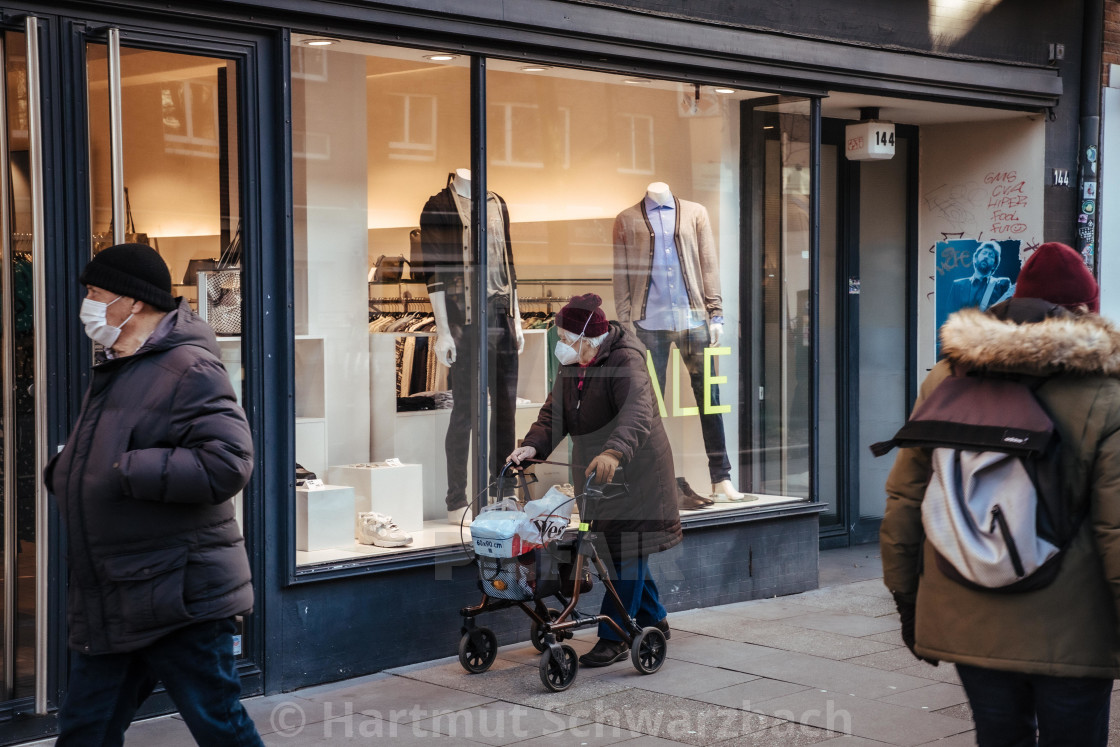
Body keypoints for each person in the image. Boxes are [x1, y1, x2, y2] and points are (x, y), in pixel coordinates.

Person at [880, 241, 1120, 746]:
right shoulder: (1106, 391)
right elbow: (1116, 529)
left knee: (998, 735)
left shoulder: (947, 378)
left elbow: (905, 500)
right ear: (1084, 313)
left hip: (966, 612)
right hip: (1074, 627)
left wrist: (908, 600)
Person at [46, 243, 262, 746]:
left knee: (220, 728)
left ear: (134, 301)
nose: (90, 304)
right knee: (85, 730)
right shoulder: (120, 364)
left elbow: (228, 462)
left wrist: (128, 468)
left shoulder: (187, 367)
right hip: (118, 591)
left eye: (98, 293)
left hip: (177, 596)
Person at [508, 293, 682, 667]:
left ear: (588, 338)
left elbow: (637, 412)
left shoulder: (626, 359)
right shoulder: (575, 366)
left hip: (637, 472)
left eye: (567, 340)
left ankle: (615, 636)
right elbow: (554, 413)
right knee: (613, 551)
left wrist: (613, 452)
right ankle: (654, 618)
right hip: (598, 476)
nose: (563, 348)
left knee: (629, 549)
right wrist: (531, 447)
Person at [613, 181, 749, 508]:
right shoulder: (626, 219)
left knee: (709, 400)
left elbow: (708, 264)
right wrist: (626, 319)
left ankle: (721, 477)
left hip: (694, 322)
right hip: (649, 325)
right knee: (647, 407)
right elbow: (620, 272)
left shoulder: (694, 213)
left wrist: (716, 314)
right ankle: (653, 479)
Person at [419, 168, 525, 526]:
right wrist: (443, 331)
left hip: (502, 316)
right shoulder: (438, 208)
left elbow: (509, 264)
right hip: (464, 321)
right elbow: (432, 273)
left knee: (506, 410)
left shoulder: (498, 204)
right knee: (465, 411)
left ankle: (505, 490)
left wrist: (519, 318)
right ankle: (456, 500)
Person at [946, 240, 1013, 315]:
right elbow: (949, 316)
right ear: (975, 259)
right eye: (984, 253)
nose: (986, 256)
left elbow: (1007, 315)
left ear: (994, 265)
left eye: (991, 255)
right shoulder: (958, 285)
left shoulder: (1002, 285)